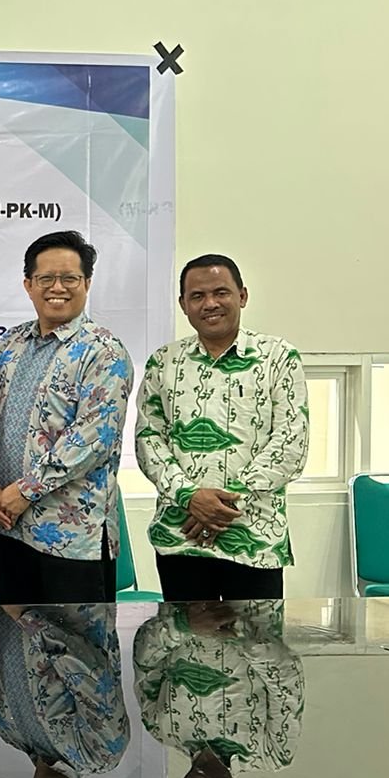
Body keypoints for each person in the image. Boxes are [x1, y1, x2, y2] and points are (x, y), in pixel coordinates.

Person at [136, 256, 309, 601]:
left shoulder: (278, 358)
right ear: (183, 304)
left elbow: (291, 443)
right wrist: (190, 496)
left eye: (221, 292)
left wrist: (220, 505)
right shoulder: (164, 362)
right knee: (183, 637)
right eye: (197, 296)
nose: (210, 303)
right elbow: (147, 439)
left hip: (254, 538)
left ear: (242, 296)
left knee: (257, 637)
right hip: (181, 539)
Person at [0, 231, 134, 604]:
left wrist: (25, 491)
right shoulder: (8, 346)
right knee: (14, 633)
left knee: (77, 640)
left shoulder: (104, 351)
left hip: (73, 536)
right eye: (46, 278)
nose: (57, 288)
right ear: (28, 285)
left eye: (69, 278)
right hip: (9, 526)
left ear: (87, 284)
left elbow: (93, 440)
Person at [132, 600, 304, 778]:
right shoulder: (273, 752)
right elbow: (288, 676)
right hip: (254, 601)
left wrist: (184, 624)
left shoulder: (159, 728)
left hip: (185, 598)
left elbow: (144, 654)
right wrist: (236, 630)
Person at [0, 604, 131, 778]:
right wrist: (23, 616)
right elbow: (89, 671)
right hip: (69, 595)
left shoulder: (8, 733)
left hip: (0, 595)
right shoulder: (101, 755)